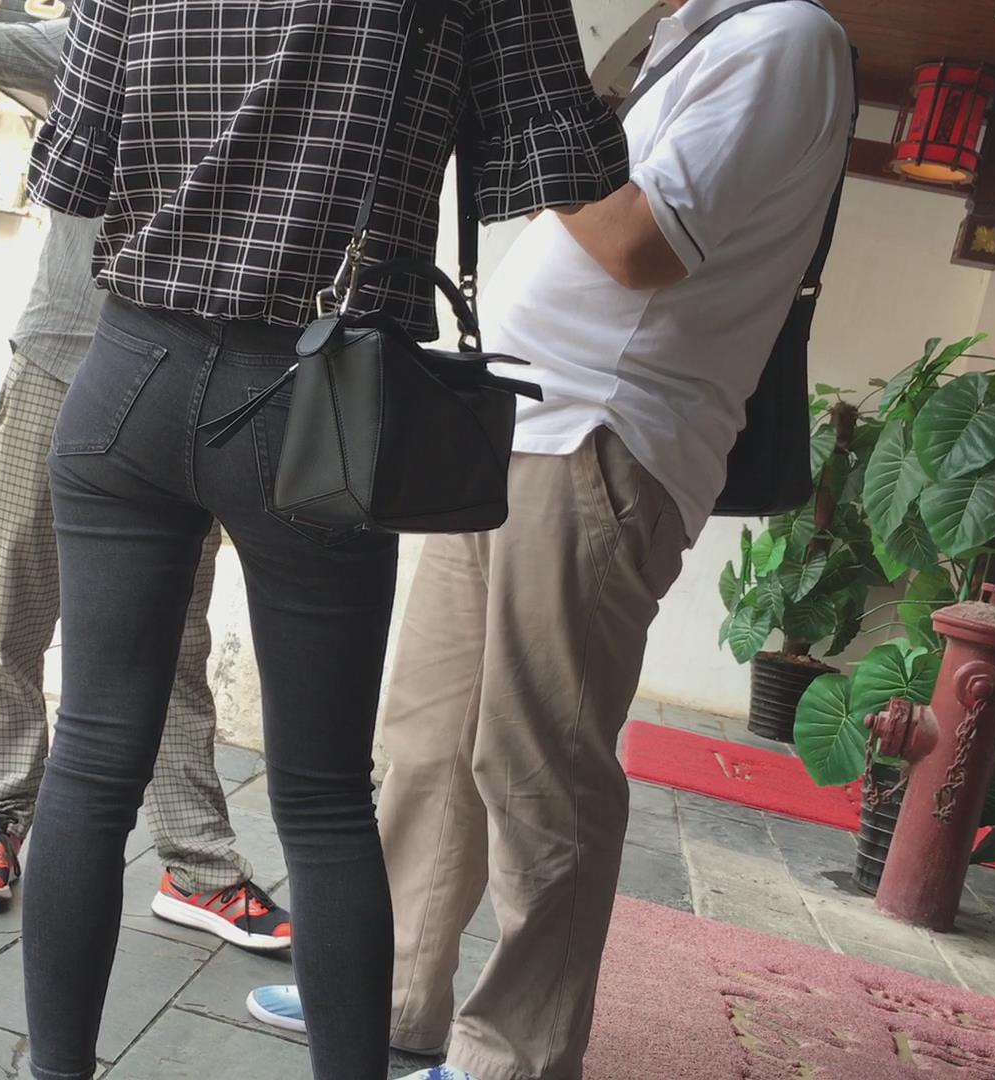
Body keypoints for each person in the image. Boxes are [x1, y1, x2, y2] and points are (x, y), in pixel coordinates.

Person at [245, 2, 856, 1078]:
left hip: (601, 439)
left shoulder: (786, 38)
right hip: (512, 428)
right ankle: (389, 995)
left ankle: (517, 1057)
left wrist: (538, 113)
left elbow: (641, 244)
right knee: (429, 736)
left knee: (538, 767)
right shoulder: (689, 40)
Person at [17, 1, 626, 1077]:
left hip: (128, 374)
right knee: (324, 795)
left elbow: (71, 172)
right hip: (323, 399)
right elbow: (570, 165)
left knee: (93, 758)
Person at [0, 9, 294, 953]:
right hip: (60, 359)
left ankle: (198, 865)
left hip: (179, 382)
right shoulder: (106, 32)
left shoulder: (273, 46)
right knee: (15, 603)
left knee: (174, 636)